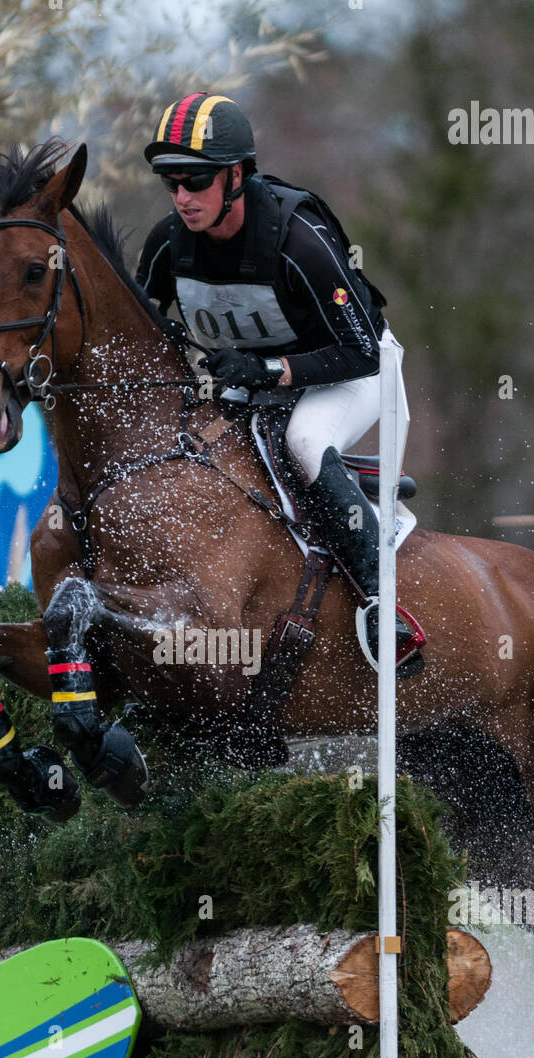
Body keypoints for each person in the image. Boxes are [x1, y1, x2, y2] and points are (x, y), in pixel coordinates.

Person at [136, 91, 416, 669]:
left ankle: (380, 604)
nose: (183, 198)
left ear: (236, 175)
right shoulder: (168, 244)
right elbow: (143, 326)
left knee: (304, 442)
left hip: (355, 371)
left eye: (196, 181)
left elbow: (360, 351)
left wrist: (269, 369)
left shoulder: (298, 241)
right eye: (172, 184)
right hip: (263, 382)